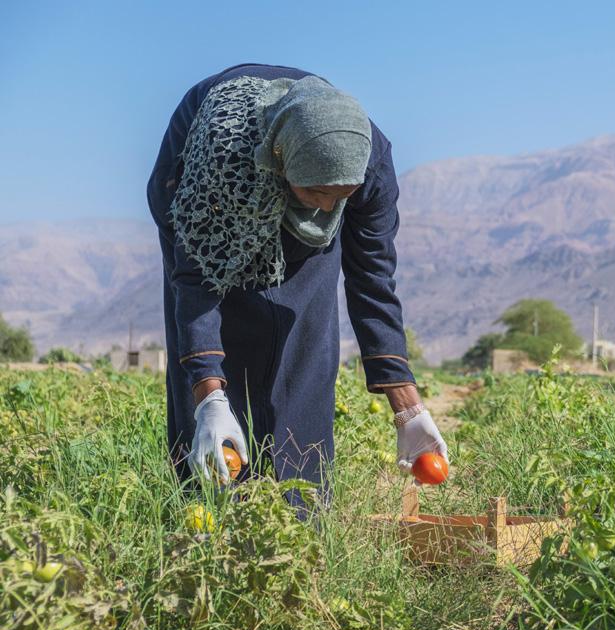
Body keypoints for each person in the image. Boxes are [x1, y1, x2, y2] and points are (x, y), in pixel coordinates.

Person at [146, 63, 447, 508]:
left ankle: (299, 517)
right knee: (222, 341)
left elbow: (372, 277)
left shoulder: (369, 162)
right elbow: (197, 283)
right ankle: (209, 511)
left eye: (339, 197)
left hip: (294, 176)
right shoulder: (220, 159)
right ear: (284, 163)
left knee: (304, 343)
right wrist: (209, 396)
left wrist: (408, 408)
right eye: (317, 193)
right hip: (208, 189)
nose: (326, 208)